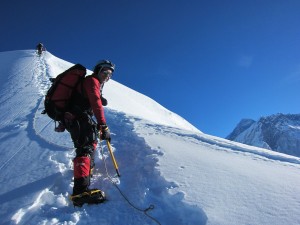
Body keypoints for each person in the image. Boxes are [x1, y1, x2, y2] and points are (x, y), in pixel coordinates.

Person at [64, 60, 115, 206]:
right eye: (105, 71)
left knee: (91, 143)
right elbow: (95, 103)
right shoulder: (92, 80)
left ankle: (86, 171)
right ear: (98, 70)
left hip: (79, 119)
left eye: (110, 74)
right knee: (84, 148)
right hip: (79, 119)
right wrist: (103, 125)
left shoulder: (95, 84)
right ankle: (80, 192)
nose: (108, 76)